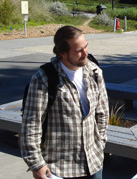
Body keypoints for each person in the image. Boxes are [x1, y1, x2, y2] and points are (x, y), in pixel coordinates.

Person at [20, 25, 109, 179]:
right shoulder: (44, 78)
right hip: (59, 168)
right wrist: (37, 164)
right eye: (78, 51)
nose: (85, 53)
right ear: (62, 53)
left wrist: (100, 144)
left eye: (86, 46)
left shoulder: (94, 72)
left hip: (93, 163)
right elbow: (31, 124)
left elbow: (102, 112)